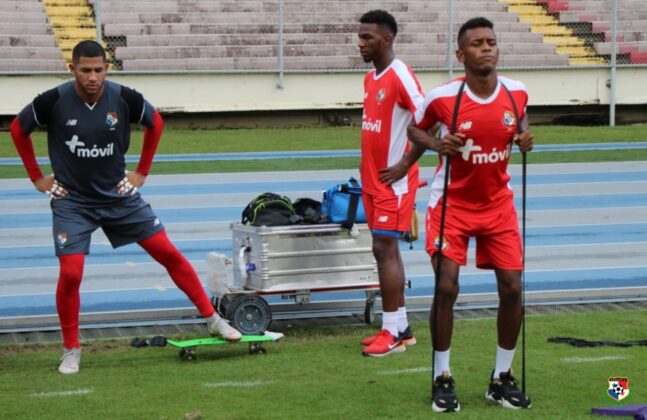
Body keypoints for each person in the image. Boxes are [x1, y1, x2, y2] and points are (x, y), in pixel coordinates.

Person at [8, 40, 242, 375]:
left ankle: (213, 319)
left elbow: (155, 122)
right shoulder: (53, 100)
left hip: (119, 197)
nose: (92, 77)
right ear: (72, 69)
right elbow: (18, 129)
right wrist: (37, 178)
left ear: (107, 68)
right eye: (85, 70)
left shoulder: (124, 98)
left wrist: (141, 172)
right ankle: (71, 349)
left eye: (98, 70)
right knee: (71, 273)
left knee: (169, 253)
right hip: (73, 202)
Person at [407, 17, 534, 411]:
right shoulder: (443, 98)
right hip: (452, 206)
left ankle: (502, 378)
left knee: (512, 288)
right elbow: (415, 129)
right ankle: (441, 377)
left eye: (491, 42)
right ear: (461, 55)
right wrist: (437, 144)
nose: (486, 48)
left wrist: (523, 135)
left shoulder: (516, 91)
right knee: (446, 287)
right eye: (477, 44)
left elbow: (520, 116)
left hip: (498, 205)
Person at [356, 10, 425, 357]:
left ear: (387, 39)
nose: (360, 43)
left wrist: (404, 165)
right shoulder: (371, 78)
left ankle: (391, 333)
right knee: (388, 250)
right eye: (360, 37)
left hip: (392, 184)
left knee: (384, 249)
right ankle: (402, 328)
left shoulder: (401, 76)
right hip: (372, 182)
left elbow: (429, 122)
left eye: (367, 37)